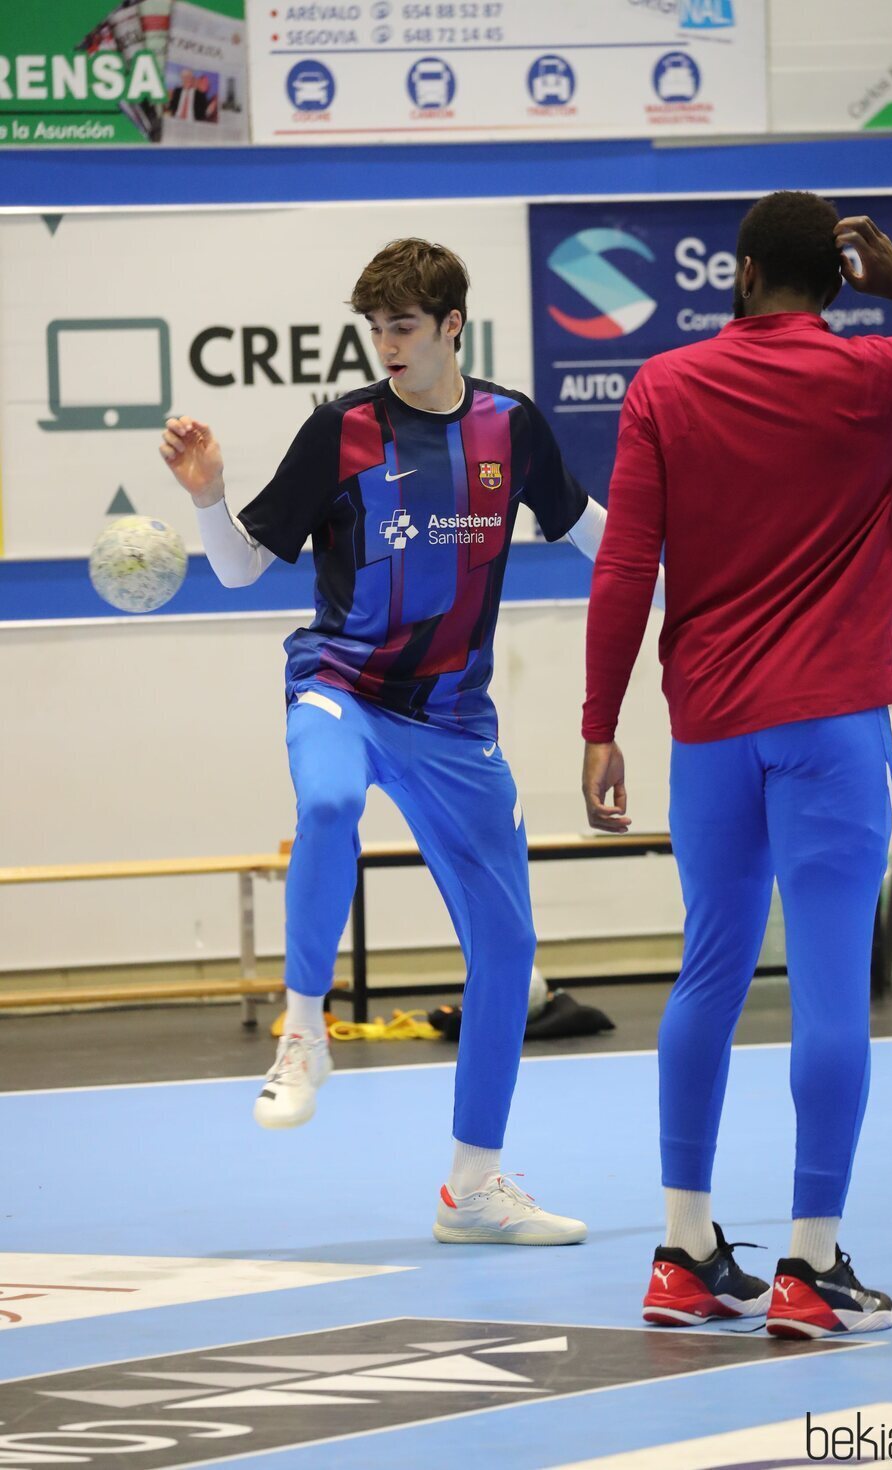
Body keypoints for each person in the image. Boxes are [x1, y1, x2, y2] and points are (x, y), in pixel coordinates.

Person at [581, 194, 892, 1336]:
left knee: (705, 974)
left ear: (745, 272)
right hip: (828, 727)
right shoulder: (879, 375)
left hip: (707, 733)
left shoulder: (660, 386)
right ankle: (808, 1269)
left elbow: (622, 569)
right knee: (823, 989)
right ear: (837, 281)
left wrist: (598, 723)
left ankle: (680, 1250)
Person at [160, 238, 606, 1245]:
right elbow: (239, 571)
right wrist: (205, 493)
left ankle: (474, 1189)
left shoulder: (511, 427)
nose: (387, 345)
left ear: (453, 325)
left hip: (452, 718)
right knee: (324, 803)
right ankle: (304, 1030)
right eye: (375, 329)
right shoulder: (343, 431)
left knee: (506, 950)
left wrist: (680, 572)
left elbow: (587, 531)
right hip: (342, 685)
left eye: (404, 326)